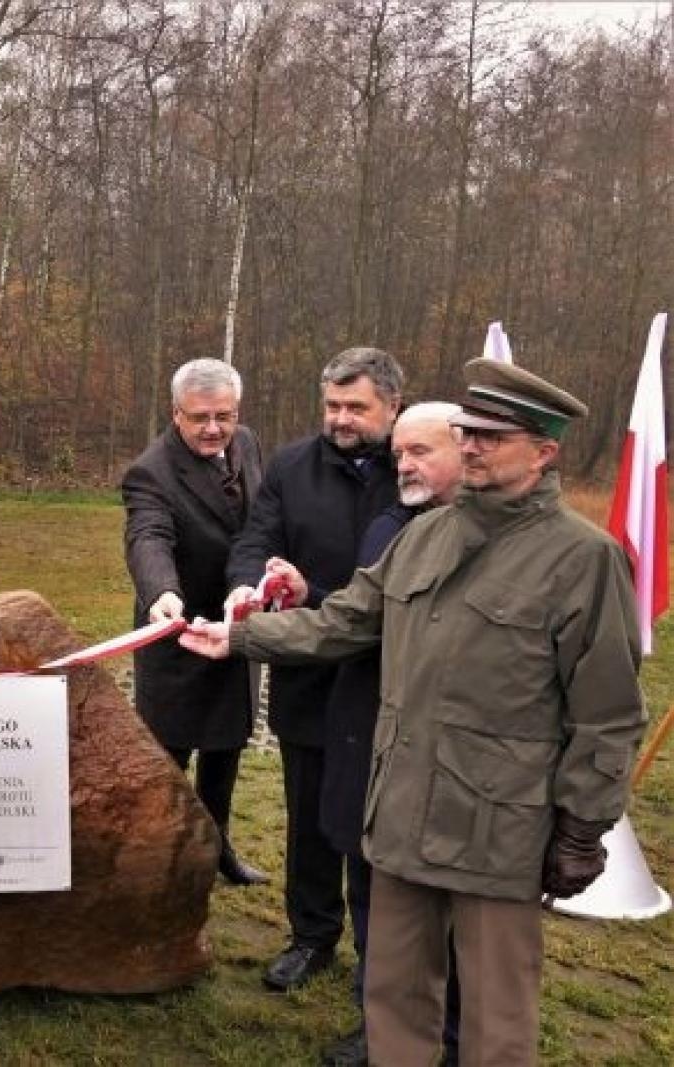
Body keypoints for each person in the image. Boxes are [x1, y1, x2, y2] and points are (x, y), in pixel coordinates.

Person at [183, 358, 644, 1066]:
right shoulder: (425, 535)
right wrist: (239, 635)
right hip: (396, 817)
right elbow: (341, 621)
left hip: (496, 828)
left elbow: (607, 712)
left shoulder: (583, 559)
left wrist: (582, 825)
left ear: (545, 451)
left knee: (493, 1020)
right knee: (394, 1001)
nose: (474, 446)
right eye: (469, 431)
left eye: (494, 435)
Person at [224, 346, 403, 992]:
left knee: (375, 827)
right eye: (332, 404)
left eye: (356, 406)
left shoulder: (413, 469)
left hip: (386, 677)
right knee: (310, 815)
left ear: (392, 406)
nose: (341, 418)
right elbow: (256, 538)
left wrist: (316, 598)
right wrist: (246, 588)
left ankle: (382, 954)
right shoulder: (294, 465)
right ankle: (311, 933)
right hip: (308, 676)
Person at [306, 402, 465, 1066]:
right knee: (367, 890)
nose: (405, 463)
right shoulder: (387, 525)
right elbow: (355, 615)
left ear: (468, 450)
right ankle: (379, 1025)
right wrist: (300, 595)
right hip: (359, 735)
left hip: (435, 758)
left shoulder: (477, 541)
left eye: (421, 451)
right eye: (400, 452)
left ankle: (453, 1035)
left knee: (444, 915)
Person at [121, 357, 268, 886]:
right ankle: (155, 857)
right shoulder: (151, 471)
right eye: (200, 417)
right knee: (168, 757)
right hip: (177, 632)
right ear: (175, 413)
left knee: (227, 746)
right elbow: (148, 537)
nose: (213, 429)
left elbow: (260, 516)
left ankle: (218, 845)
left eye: (223, 416)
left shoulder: (247, 443)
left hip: (234, 628)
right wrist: (162, 593)